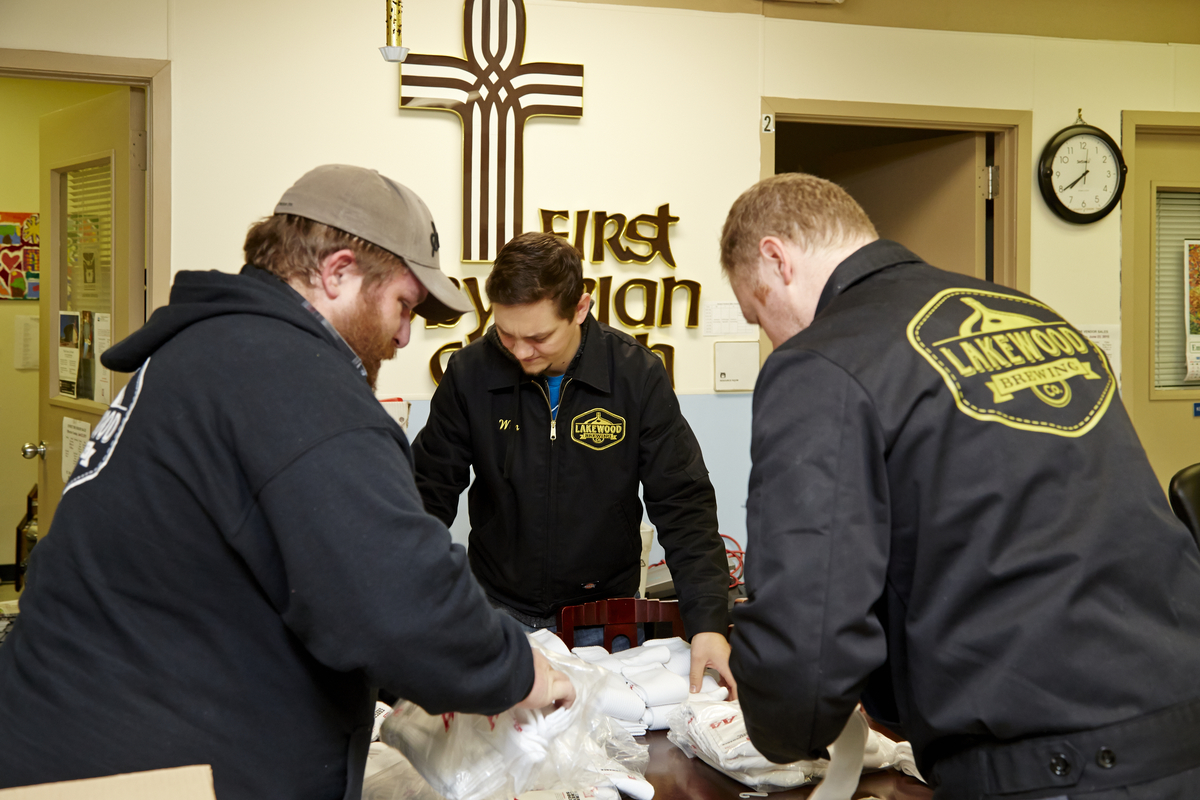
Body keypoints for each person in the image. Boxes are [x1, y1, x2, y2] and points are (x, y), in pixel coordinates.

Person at [0, 165, 573, 799]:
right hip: (142, 767)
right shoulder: (292, 380)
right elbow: (395, 593)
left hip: (80, 741)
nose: (404, 334)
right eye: (403, 305)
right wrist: (521, 671)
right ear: (338, 272)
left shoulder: (209, 351)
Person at [723, 173, 1200, 799]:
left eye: (760, 315)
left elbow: (805, 645)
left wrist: (781, 729)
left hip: (1053, 763)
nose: (774, 339)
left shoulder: (821, 362)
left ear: (776, 259)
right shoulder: (1037, 318)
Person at [412, 231, 735, 694]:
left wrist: (708, 621)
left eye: (538, 337)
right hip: (500, 614)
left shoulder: (635, 375)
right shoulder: (471, 374)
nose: (521, 353)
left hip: (605, 620)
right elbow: (426, 492)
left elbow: (682, 501)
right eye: (507, 335)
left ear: (580, 309)